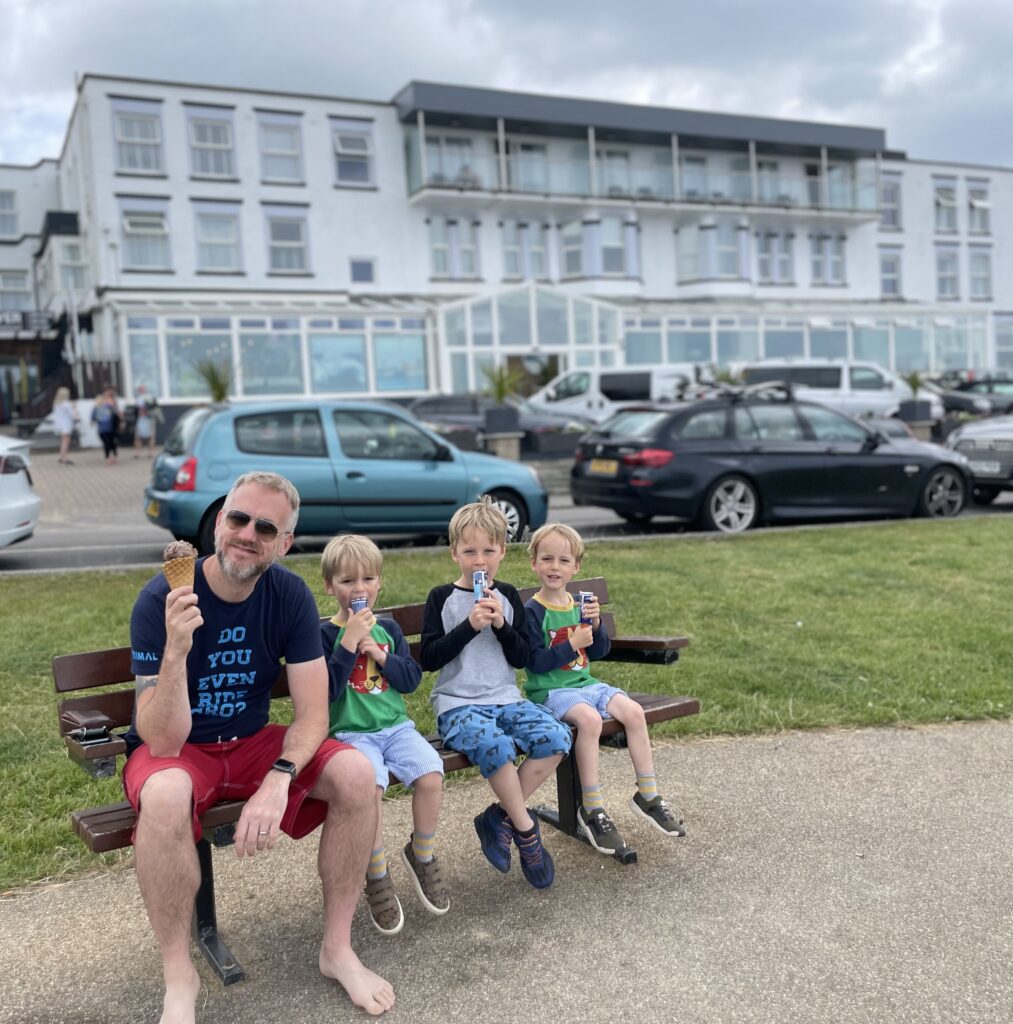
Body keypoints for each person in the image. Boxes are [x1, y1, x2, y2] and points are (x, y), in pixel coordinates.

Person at [125, 472, 394, 1023]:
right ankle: (180, 977)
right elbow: (161, 738)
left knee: (356, 774)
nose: (247, 534)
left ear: (285, 543)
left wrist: (279, 777)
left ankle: (337, 950)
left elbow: (314, 712)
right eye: (238, 518)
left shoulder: (288, 594)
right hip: (181, 750)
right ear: (219, 522)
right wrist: (176, 652)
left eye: (265, 527)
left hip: (250, 742)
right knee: (168, 795)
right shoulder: (162, 598)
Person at [419, 497, 571, 889]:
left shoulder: (507, 596)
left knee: (556, 737)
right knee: (497, 747)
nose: (480, 561)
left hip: (506, 697)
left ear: (503, 551)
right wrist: (468, 625)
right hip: (459, 704)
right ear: (455, 553)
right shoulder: (441, 598)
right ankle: (526, 830)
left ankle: (498, 817)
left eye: (489, 551)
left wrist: (502, 624)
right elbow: (430, 659)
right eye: (470, 552)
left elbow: (522, 658)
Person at [524, 523, 686, 855]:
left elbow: (597, 653)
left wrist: (596, 626)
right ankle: (592, 808)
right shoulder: (532, 611)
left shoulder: (578, 604)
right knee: (590, 720)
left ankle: (648, 795)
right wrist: (570, 644)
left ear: (576, 567)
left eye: (564, 561)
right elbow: (534, 663)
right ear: (534, 562)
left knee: (633, 712)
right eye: (547, 559)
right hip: (553, 692)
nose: (555, 567)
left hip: (587, 685)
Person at [321, 534, 449, 935]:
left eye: (368, 579)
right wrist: (346, 645)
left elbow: (411, 680)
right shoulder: (324, 635)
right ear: (329, 587)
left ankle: (422, 853)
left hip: (396, 728)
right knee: (371, 789)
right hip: (351, 735)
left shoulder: (389, 628)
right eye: (347, 581)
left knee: (431, 773)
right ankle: (374, 870)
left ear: (379, 583)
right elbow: (326, 691)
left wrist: (379, 653)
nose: (359, 589)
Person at [91, 387, 120, 464]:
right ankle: (110, 457)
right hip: (105, 428)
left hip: (109, 428)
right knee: (108, 443)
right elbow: (93, 417)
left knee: (110, 443)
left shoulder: (109, 406)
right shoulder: (98, 408)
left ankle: (111, 456)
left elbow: (116, 415)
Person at [132, 384, 162, 458]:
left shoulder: (150, 397)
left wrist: (147, 410)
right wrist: (138, 412)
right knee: (138, 436)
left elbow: (155, 407)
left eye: (142, 389)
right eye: (139, 389)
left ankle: (150, 453)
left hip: (150, 419)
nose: (140, 390)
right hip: (141, 419)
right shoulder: (138, 398)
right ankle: (137, 453)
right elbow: (136, 409)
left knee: (151, 436)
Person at [52, 386, 78, 464]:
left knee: (62, 441)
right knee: (66, 441)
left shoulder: (56, 404)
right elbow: (73, 415)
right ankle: (64, 458)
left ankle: (61, 456)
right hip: (66, 425)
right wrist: (74, 408)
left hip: (59, 425)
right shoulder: (67, 404)